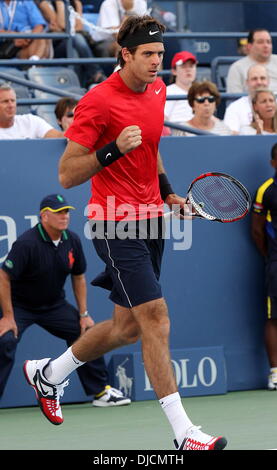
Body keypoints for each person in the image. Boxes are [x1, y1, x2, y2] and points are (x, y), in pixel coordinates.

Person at [23, 15, 227, 450]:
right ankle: (184, 434)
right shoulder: (98, 102)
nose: (158, 62)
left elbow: (152, 149)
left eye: (160, 53)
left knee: (127, 329)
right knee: (156, 318)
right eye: (149, 55)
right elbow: (66, 174)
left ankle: (49, 373)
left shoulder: (157, 89)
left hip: (151, 218)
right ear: (125, 55)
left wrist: (168, 193)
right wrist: (114, 149)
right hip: (114, 223)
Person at [0, 193, 130, 410]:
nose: (65, 216)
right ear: (44, 216)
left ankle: (100, 392)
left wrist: (83, 314)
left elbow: (78, 277)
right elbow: (3, 276)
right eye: (59, 212)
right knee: (5, 341)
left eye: (67, 211)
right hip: (19, 306)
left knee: (86, 332)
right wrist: (8, 316)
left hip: (54, 305)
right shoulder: (26, 243)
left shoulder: (72, 240)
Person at [251, 143, 277, 390]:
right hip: (276, 263)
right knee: (274, 317)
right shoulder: (265, 191)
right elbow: (257, 230)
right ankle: (275, 372)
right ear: (273, 163)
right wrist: (270, 256)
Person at [35, 0, 106, 87]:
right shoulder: (45, 4)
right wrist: (60, 3)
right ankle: (96, 73)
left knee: (74, 52)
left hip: (73, 43)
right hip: (56, 45)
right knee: (77, 38)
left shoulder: (76, 3)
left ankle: (76, 89)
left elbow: (79, 27)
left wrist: (68, 31)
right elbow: (61, 25)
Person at [0, 84, 64, 139]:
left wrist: (70, 135)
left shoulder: (31, 121)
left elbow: (57, 136)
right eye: (5, 101)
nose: (11, 105)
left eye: (13, 101)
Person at [224, 64, 270, 134]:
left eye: (262, 78)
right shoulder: (234, 107)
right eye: (254, 79)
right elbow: (230, 136)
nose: (259, 82)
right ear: (247, 82)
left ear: (268, 81)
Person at [226, 29, 277, 94]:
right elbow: (233, 98)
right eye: (260, 42)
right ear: (249, 46)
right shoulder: (237, 68)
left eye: (268, 42)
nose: (266, 46)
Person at [164, 51, 197, 125]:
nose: (188, 69)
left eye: (191, 66)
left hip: (200, 131)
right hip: (177, 132)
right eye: (183, 66)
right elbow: (163, 119)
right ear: (174, 71)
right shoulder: (169, 91)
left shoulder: (200, 91)